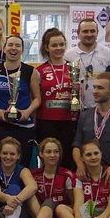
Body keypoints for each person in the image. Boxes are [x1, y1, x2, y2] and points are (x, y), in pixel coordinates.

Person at [0, 35, 40, 167]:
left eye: (17, 45)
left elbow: (37, 99)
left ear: (22, 50)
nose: (13, 48)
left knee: (22, 164)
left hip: (22, 125)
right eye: (10, 45)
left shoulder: (30, 71)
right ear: (4, 48)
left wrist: (27, 113)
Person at [35, 28, 78, 170]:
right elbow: (35, 97)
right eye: (54, 45)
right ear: (47, 48)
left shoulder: (74, 68)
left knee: (67, 159)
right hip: (46, 121)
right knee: (47, 158)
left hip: (69, 121)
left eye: (61, 44)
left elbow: (79, 96)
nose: (58, 48)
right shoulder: (39, 71)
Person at [19, 138, 74, 218]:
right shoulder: (33, 174)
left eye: (56, 152)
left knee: (50, 202)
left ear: (60, 154)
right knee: (30, 194)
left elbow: (74, 203)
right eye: (48, 152)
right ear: (41, 154)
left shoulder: (67, 175)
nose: (52, 155)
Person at [64, 18, 110, 109]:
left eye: (92, 31)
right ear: (78, 33)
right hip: (76, 107)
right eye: (85, 31)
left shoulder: (108, 54)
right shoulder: (68, 55)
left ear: (97, 33)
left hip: (102, 107)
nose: (89, 34)